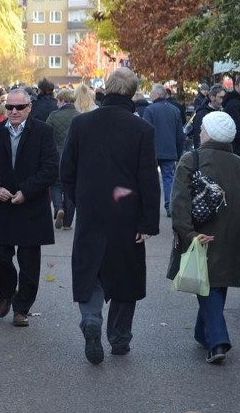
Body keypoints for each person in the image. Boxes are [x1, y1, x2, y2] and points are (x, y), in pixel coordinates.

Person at [60, 67, 161, 365]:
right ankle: (119, 337)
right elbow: (147, 180)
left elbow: (67, 170)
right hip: (127, 213)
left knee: (89, 268)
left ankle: (91, 316)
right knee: (125, 275)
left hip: (91, 209)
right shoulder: (142, 129)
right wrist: (147, 223)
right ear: (133, 92)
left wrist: (80, 200)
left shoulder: (81, 124)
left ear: (105, 88)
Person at [167, 111, 240, 364]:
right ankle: (203, 334)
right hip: (231, 240)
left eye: (203, 129)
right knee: (215, 286)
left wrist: (189, 234)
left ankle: (218, 342)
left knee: (209, 286)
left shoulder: (190, 159)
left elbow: (180, 203)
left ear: (209, 133)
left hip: (201, 238)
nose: (201, 133)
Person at [0, 88, 58, 327]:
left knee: (29, 262)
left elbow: (50, 168)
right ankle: (6, 293)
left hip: (30, 204)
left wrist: (26, 191)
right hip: (2, 203)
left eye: (19, 107)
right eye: (10, 107)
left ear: (29, 108)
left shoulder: (44, 132)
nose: (14, 112)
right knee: (0, 257)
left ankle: (22, 307)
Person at [143, 84, 185, 217]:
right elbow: (180, 134)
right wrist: (178, 153)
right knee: (168, 178)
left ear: (157, 95)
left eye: (151, 93)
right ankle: (169, 206)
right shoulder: (175, 110)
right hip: (169, 150)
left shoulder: (149, 110)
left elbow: (145, 131)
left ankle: (149, 207)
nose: (150, 95)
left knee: (150, 179)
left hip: (152, 150)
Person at [46, 88, 79, 229]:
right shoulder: (79, 116)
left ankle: (59, 208)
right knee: (71, 187)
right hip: (75, 157)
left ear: (62, 100)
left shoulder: (53, 116)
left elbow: (46, 135)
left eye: (57, 101)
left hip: (57, 155)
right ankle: (67, 223)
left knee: (56, 184)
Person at [191, 85, 225, 149]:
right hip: (206, 152)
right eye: (221, 97)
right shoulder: (202, 114)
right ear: (212, 98)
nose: (223, 100)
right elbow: (198, 136)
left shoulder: (223, 112)